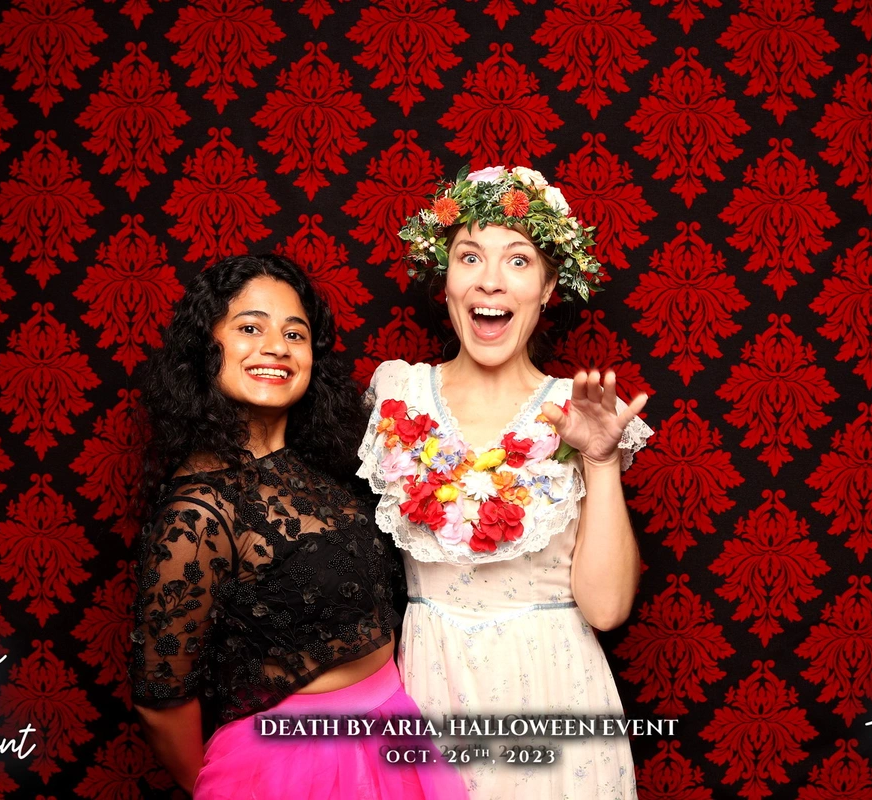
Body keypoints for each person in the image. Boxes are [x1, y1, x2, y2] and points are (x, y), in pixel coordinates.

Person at [359, 166, 652, 799]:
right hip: (427, 694)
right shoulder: (396, 394)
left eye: (518, 260)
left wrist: (601, 463)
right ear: (445, 280)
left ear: (548, 288)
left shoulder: (581, 412)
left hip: (555, 693)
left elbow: (606, 610)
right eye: (470, 256)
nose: (490, 279)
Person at [129, 254, 469, 799]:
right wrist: (227, 788)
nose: (276, 347)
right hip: (295, 764)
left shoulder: (328, 466)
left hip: (393, 729)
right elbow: (160, 698)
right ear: (205, 348)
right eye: (249, 328)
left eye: (295, 333)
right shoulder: (197, 512)